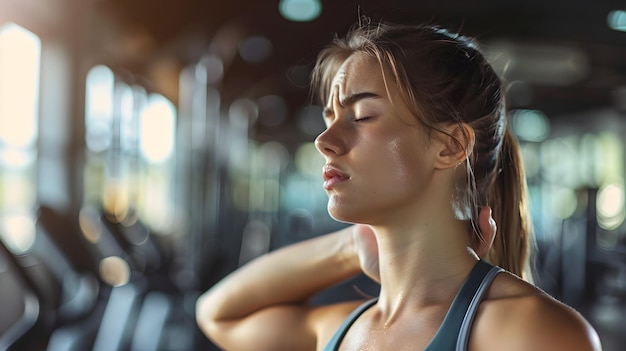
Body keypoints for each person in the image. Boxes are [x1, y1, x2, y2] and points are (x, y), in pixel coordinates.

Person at [196, 19, 602, 351]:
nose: (324, 141)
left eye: (363, 115)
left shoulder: (531, 334)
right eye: (329, 118)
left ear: (450, 145)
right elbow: (216, 313)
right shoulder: (341, 328)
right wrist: (349, 249)